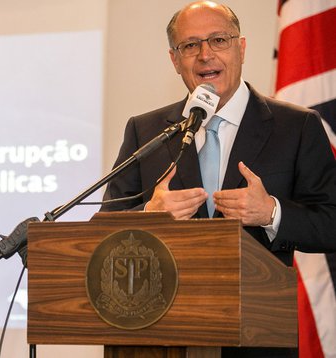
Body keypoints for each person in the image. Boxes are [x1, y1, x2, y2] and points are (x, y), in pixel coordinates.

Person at [101, 2, 336, 357]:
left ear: (241, 48)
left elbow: (331, 222)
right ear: (174, 59)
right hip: (161, 336)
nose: (205, 55)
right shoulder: (146, 131)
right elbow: (104, 226)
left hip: (258, 338)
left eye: (219, 40)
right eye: (190, 45)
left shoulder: (297, 126)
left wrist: (271, 213)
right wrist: (148, 214)